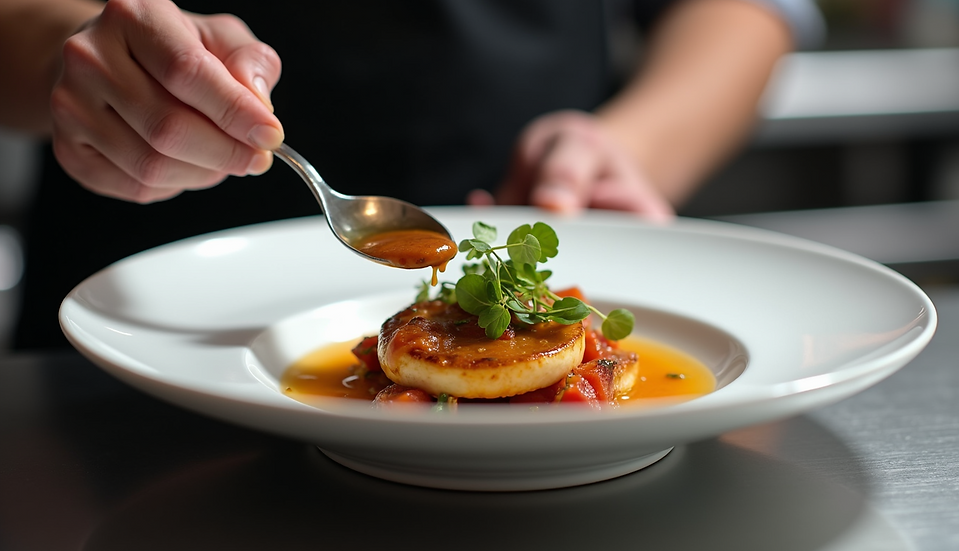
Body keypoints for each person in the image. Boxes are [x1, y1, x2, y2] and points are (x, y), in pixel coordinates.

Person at [0, 0, 822, 349]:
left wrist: (628, 147)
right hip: (135, 335)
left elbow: (750, 11)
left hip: (524, 208)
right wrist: (69, 61)